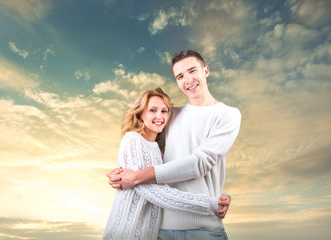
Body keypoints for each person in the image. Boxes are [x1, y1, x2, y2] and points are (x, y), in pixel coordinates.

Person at [107, 50, 241, 240]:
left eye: (192, 71)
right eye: (180, 76)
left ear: (206, 70)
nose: (188, 80)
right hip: (161, 229)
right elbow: (149, 154)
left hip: (205, 229)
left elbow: (200, 163)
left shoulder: (227, 115)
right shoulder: (169, 116)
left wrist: (135, 177)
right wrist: (121, 172)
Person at [103, 88, 221, 240]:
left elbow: (177, 182)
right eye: (153, 110)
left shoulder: (159, 149)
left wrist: (218, 194)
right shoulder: (133, 139)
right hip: (127, 231)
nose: (159, 116)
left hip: (149, 234)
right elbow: (154, 192)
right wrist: (209, 204)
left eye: (164, 111)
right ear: (140, 114)